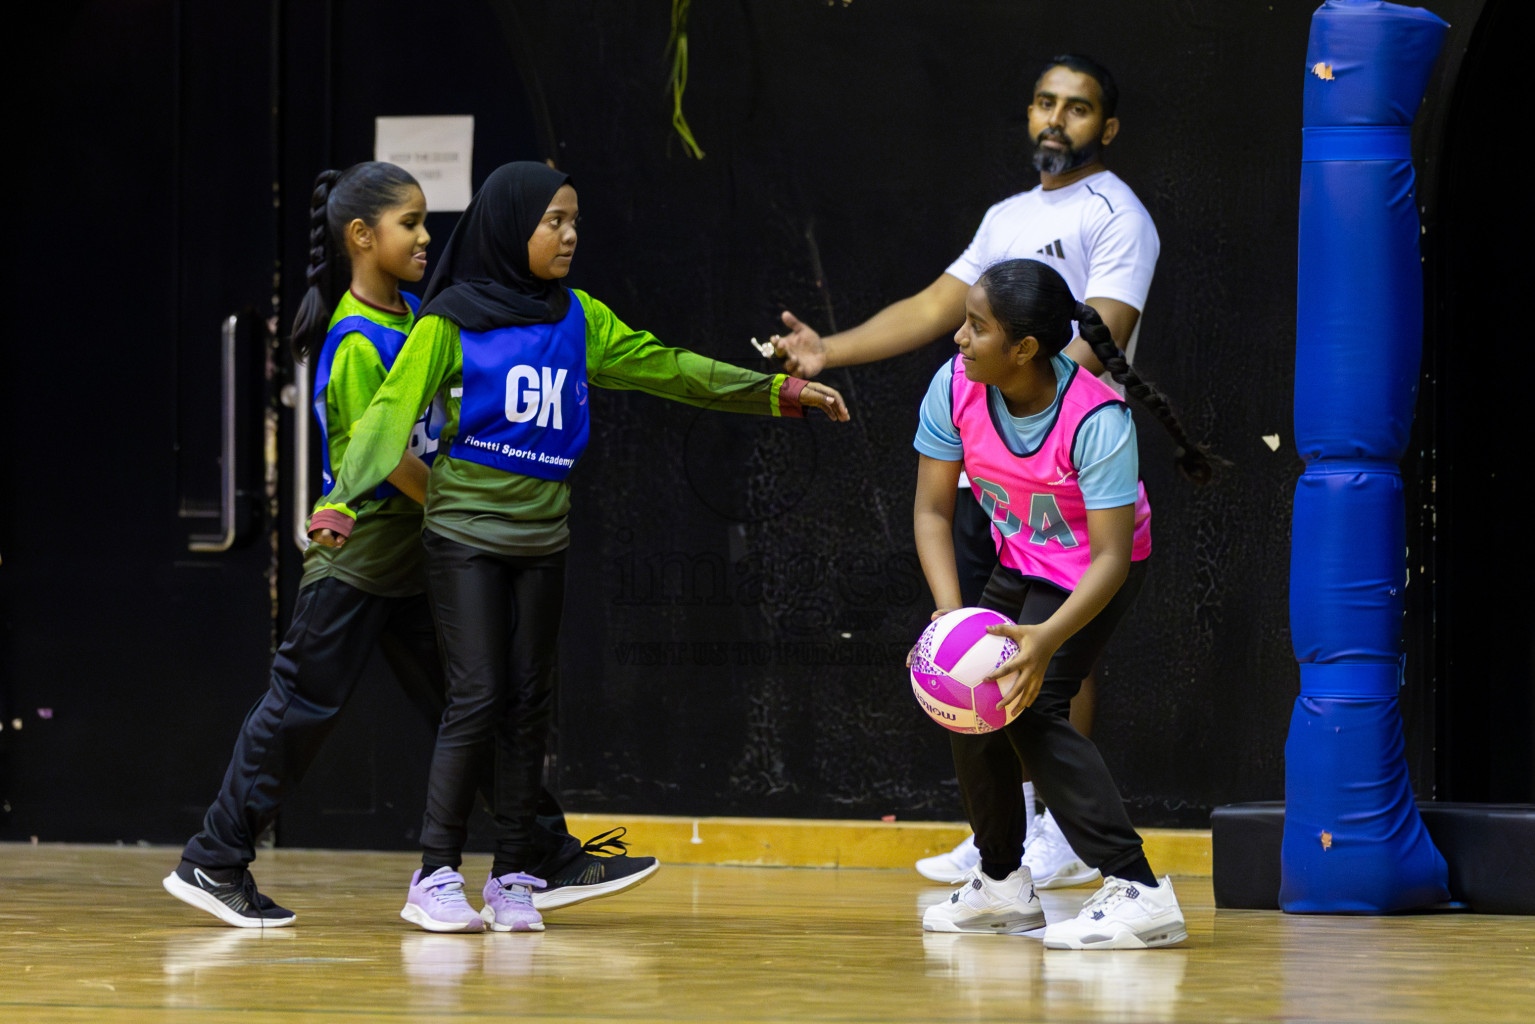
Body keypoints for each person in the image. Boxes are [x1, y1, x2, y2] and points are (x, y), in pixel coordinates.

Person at [309, 162, 849, 934]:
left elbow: (669, 368)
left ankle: (513, 878)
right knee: (476, 697)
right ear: (508, 226)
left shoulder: (577, 317)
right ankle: (433, 875)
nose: (567, 235)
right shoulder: (450, 320)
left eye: (574, 222)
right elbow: (387, 418)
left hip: (542, 536)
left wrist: (771, 392)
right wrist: (337, 499)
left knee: (531, 704)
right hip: (463, 535)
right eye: (551, 221)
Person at [163, 162, 642, 929]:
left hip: (421, 557)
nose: (427, 236)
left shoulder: (424, 313)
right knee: (299, 709)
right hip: (362, 562)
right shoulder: (355, 340)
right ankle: (214, 859)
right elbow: (385, 458)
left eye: (427, 221)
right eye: (411, 224)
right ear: (361, 237)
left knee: (474, 704)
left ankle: (542, 852)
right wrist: (469, 498)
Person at [771, 54, 1158, 888]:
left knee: (1051, 663)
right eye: (1044, 102)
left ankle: (1063, 831)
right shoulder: (1007, 216)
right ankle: (1007, 840)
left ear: (1108, 127)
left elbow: (1100, 340)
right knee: (983, 655)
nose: (1056, 119)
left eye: (1078, 108)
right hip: (995, 468)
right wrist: (827, 351)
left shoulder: (1117, 215)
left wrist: (1028, 413)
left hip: (1062, 467)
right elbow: (932, 308)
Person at [912, 258, 1209, 948]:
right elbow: (931, 512)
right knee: (964, 692)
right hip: (1019, 558)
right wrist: (951, 617)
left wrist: (1044, 639)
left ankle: (1137, 890)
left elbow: (1109, 558)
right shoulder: (954, 385)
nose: (958, 337)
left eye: (975, 327)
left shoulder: (1096, 419)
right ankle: (999, 886)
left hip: (1089, 573)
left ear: (1022, 349)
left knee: (1033, 703)